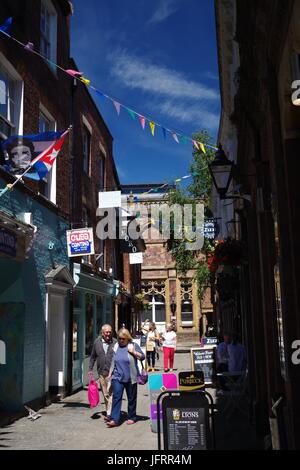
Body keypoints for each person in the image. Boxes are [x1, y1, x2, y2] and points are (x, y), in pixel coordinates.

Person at [106, 328, 145, 427]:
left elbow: (143, 356)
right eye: (119, 338)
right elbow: (113, 361)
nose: (121, 340)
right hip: (118, 377)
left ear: (128, 338)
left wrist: (133, 352)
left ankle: (132, 416)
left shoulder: (133, 345)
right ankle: (115, 419)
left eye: (123, 338)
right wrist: (110, 374)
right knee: (116, 397)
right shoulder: (116, 346)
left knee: (131, 398)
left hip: (131, 377)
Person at [89, 324, 117, 421]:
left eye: (110, 332)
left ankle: (110, 414)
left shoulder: (115, 342)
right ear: (102, 333)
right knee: (105, 394)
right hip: (102, 372)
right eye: (106, 332)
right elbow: (92, 357)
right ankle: (109, 411)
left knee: (112, 393)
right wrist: (90, 369)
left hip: (113, 373)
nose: (108, 334)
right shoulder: (97, 342)